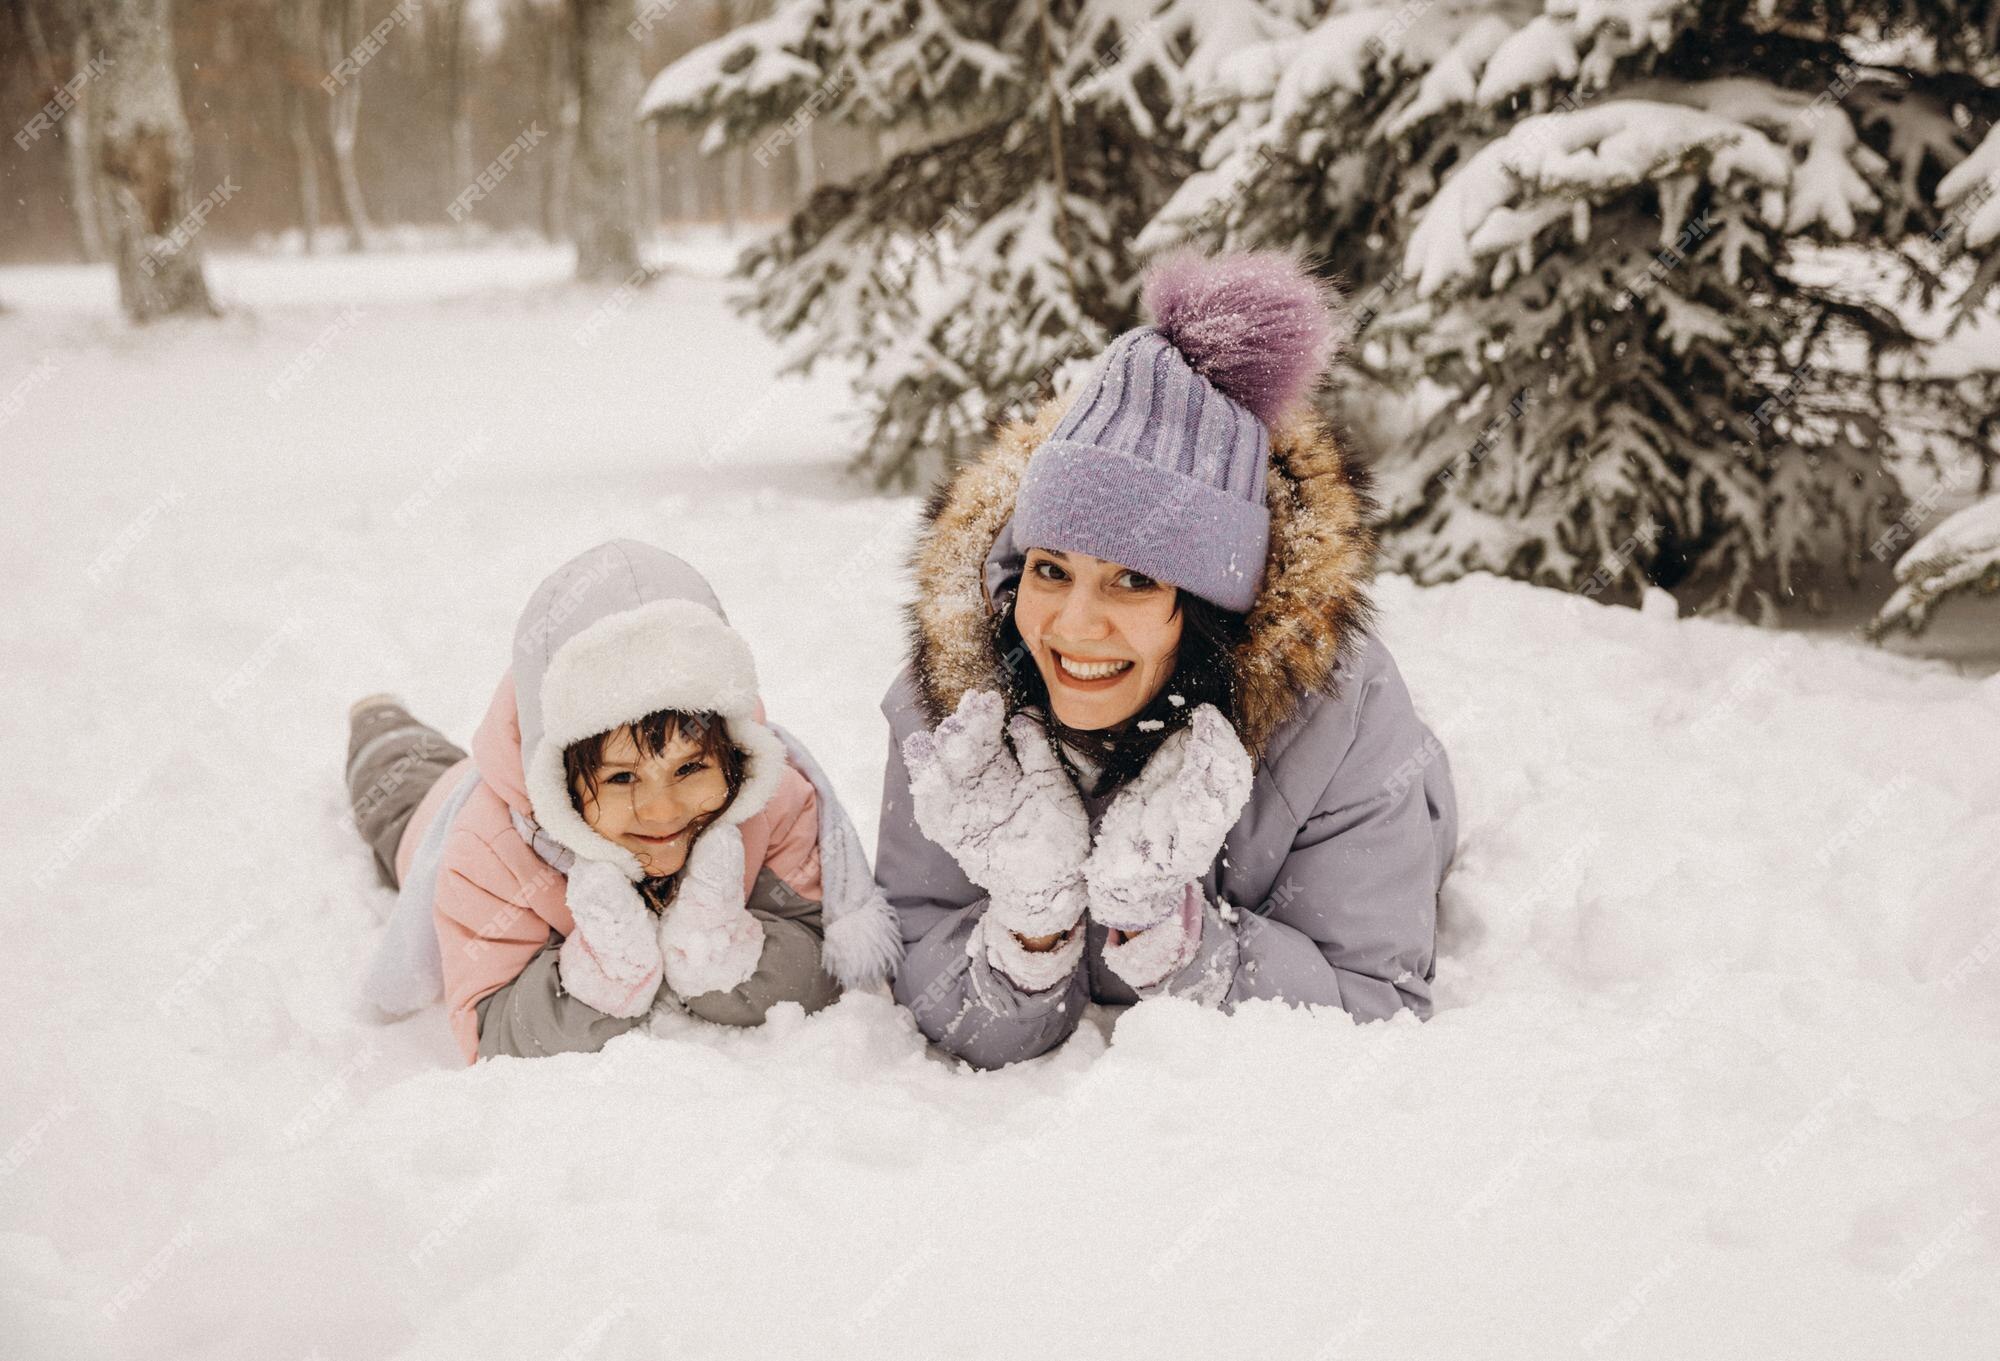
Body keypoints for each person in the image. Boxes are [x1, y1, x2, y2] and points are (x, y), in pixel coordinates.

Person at [878, 250, 1458, 1069]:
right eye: (1051, 569)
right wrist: (1029, 930)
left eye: (1134, 579)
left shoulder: (1341, 716)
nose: (1074, 626)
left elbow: (1374, 1003)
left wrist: (1177, 936)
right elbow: (922, 975)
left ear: (1211, 605)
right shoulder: (951, 711)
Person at [346, 538, 900, 1063]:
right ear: (559, 780)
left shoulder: (772, 802)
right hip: (431, 816)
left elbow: (821, 958)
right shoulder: (488, 846)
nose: (662, 812)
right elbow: (490, 1026)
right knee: (400, 779)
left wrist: (719, 950)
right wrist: (604, 973)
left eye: (689, 768)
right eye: (619, 779)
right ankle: (378, 718)